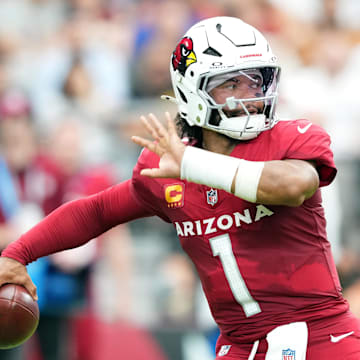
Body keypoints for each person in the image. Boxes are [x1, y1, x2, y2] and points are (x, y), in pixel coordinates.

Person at [0, 16, 359, 360]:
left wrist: (191, 165)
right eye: (231, 83)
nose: (249, 94)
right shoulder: (168, 166)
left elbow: (293, 185)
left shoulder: (289, 139)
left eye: (256, 80)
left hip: (323, 336)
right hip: (240, 346)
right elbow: (96, 211)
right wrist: (18, 254)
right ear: (192, 91)